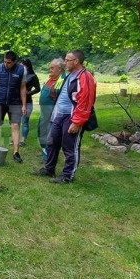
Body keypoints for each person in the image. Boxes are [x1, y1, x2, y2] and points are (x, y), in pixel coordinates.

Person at [32, 50, 96, 183]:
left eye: (67, 60)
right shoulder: (70, 75)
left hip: (71, 117)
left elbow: (86, 101)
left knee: (70, 147)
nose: (65, 63)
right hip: (59, 116)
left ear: (76, 61)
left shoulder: (85, 77)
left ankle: (67, 176)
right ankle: (49, 169)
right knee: (52, 142)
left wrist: (77, 122)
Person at [0, 51, 27, 163]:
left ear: (14, 61)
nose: (6, 64)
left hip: (15, 103)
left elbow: (23, 87)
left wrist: (24, 105)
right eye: (4, 61)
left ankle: (16, 152)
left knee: (15, 125)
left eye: (9, 63)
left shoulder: (21, 70)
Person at [37, 58, 67, 160]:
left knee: (50, 134)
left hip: (52, 114)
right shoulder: (51, 78)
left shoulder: (62, 80)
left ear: (59, 69)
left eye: (52, 68)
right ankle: (44, 151)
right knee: (42, 130)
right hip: (44, 112)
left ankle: (49, 155)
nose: (50, 70)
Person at [18, 59, 41, 148]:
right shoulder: (18, 75)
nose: (20, 67)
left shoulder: (32, 76)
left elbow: (38, 88)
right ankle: (16, 138)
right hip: (16, 102)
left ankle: (23, 140)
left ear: (27, 66)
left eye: (22, 65)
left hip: (27, 102)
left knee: (25, 121)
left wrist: (28, 93)